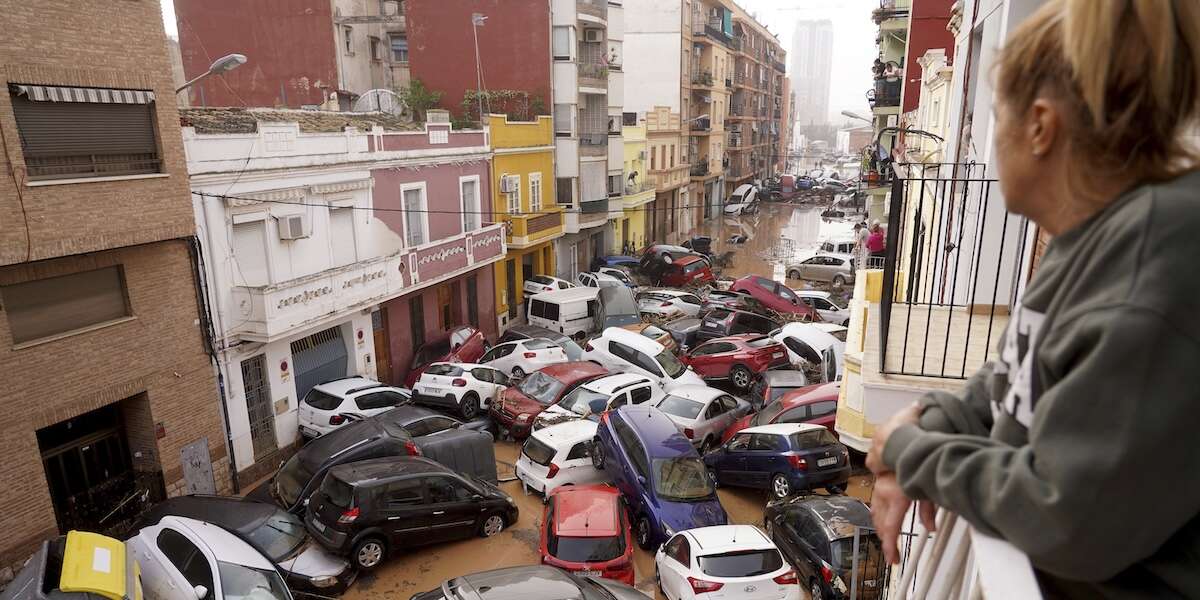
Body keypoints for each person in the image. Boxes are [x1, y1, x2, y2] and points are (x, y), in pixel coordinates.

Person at [865, 1, 1200, 597]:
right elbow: (1011, 377)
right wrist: (929, 423)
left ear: (1041, 127)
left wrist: (912, 451)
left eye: (997, 117)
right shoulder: (1090, 237)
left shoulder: (1155, 260)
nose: (989, 141)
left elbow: (1067, 515)